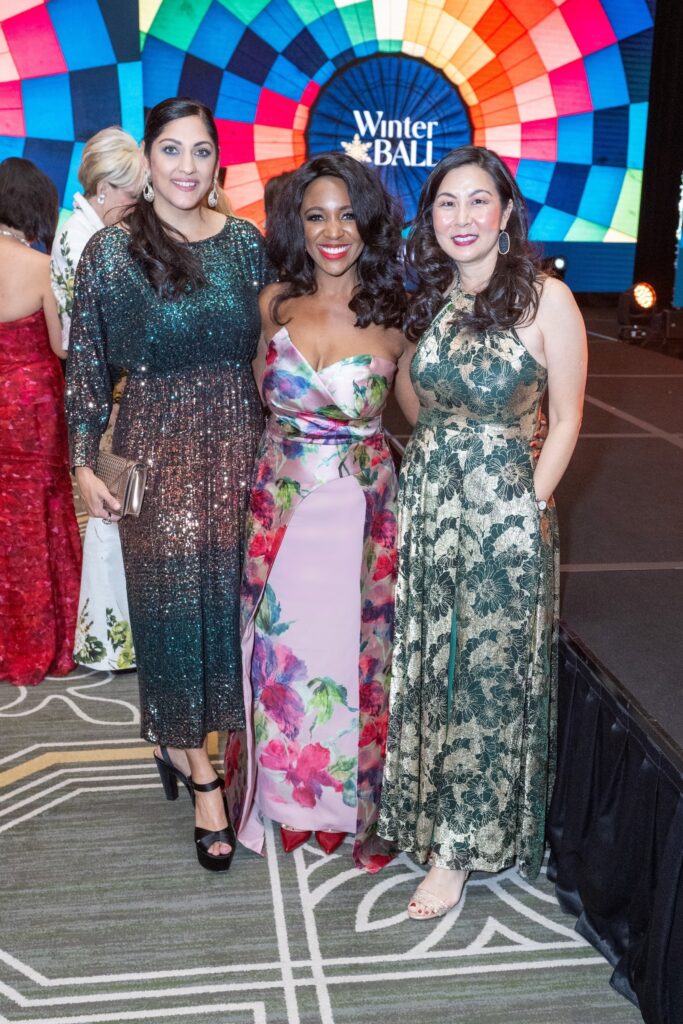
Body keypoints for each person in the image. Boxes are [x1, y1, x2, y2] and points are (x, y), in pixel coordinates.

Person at [377, 146, 587, 917]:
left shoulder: (546, 300)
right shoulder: (431, 299)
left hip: (503, 515)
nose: (459, 218)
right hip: (429, 506)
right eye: (444, 204)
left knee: (485, 678)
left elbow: (565, 419)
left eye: (476, 202)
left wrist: (524, 507)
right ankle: (427, 815)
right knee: (432, 663)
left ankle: (460, 848)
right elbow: (415, 408)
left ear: (504, 215)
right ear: (428, 219)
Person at [65, 97, 272, 871]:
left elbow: (266, 354)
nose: (187, 166)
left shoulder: (247, 245)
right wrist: (85, 461)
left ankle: (202, 749)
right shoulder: (112, 254)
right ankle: (203, 779)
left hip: (240, 451)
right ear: (146, 160)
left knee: (230, 617)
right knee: (174, 624)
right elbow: (85, 366)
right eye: (171, 150)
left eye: (201, 151)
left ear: (218, 161)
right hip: (155, 454)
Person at [223, 153, 409, 871]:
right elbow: (254, 396)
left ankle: (342, 807)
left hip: (360, 520)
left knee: (349, 659)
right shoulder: (271, 304)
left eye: (346, 214)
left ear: (368, 222)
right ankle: (285, 801)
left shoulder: (395, 318)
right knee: (278, 654)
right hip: (284, 510)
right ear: (295, 226)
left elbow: (420, 420)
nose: (333, 231)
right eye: (315, 215)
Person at [51, 126, 146, 672]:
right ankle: (113, 641)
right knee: (111, 510)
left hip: (103, 383)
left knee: (111, 513)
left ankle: (110, 638)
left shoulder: (78, 228)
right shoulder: (86, 238)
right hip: (107, 388)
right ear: (108, 186)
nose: (138, 201)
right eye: (133, 190)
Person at [0, 158, 82, 685]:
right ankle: (47, 640)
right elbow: (60, 344)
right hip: (33, 403)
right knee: (43, 509)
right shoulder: (42, 266)